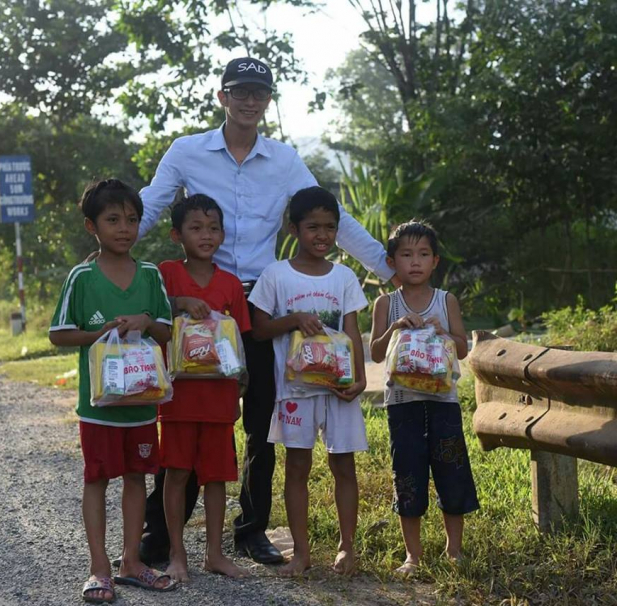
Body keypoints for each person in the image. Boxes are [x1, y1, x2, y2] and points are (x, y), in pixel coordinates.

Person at [137, 56, 397, 565]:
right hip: (200, 304)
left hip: (258, 301)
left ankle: (250, 530)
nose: (250, 101)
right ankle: (162, 532)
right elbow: (149, 207)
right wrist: (112, 247)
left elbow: (330, 216)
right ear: (222, 97)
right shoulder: (186, 151)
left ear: (268, 100)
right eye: (240, 91)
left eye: (259, 92)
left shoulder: (284, 160)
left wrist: (390, 267)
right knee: (191, 417)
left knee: (262, 419)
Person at [49, 179, 177, 603]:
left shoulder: (151, 275)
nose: (124, 228)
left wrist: (144, 321)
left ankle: (132, 562)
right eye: (113, 219)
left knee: (138, 478)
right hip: (99, 408)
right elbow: (59, 334)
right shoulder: (82, 278)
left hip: (142, 406)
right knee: (98, 479)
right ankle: (98, 568)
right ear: (92, 226)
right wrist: (98, 334)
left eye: (132, 219)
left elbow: (165, 329)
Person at [249, 186, 369, 576]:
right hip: (294, 391)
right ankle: (301, 554)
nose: (322, 235)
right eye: (313, 226)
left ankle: (346, 549)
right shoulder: (276, 275)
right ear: (293, 228)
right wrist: (295, 319)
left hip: (338, 390)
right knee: (297, 466)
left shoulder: (345, 277)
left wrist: (360, 379)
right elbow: (260, 328)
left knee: (344, 467)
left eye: (330, 227)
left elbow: (352, 332)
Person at [368, 220, 479, 577]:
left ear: (435, 261)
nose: (414, 262)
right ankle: (412, 556)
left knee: (452, 471)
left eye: (423, 254)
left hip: (443, 403)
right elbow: (374, 352)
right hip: (403, 404)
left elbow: (462, 350)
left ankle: (454, 551)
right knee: (408, 475)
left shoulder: (447, 301)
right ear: (392, 262)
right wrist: (395, 328)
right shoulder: (386, 303)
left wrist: (444, 331)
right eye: (406, 254)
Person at [157, 194, 251, 582]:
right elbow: (153, 315)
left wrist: (239, 394)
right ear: (177, 234)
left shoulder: (230, 285)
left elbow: (241, 346)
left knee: (216, 477)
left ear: (223, 234)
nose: (206, 235)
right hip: (178, 397)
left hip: (219, 396)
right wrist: (179, 301)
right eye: (196, 228)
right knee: (176, 473)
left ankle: (215, 554)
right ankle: (177, 555)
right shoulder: (165, 274)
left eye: (213, 228)